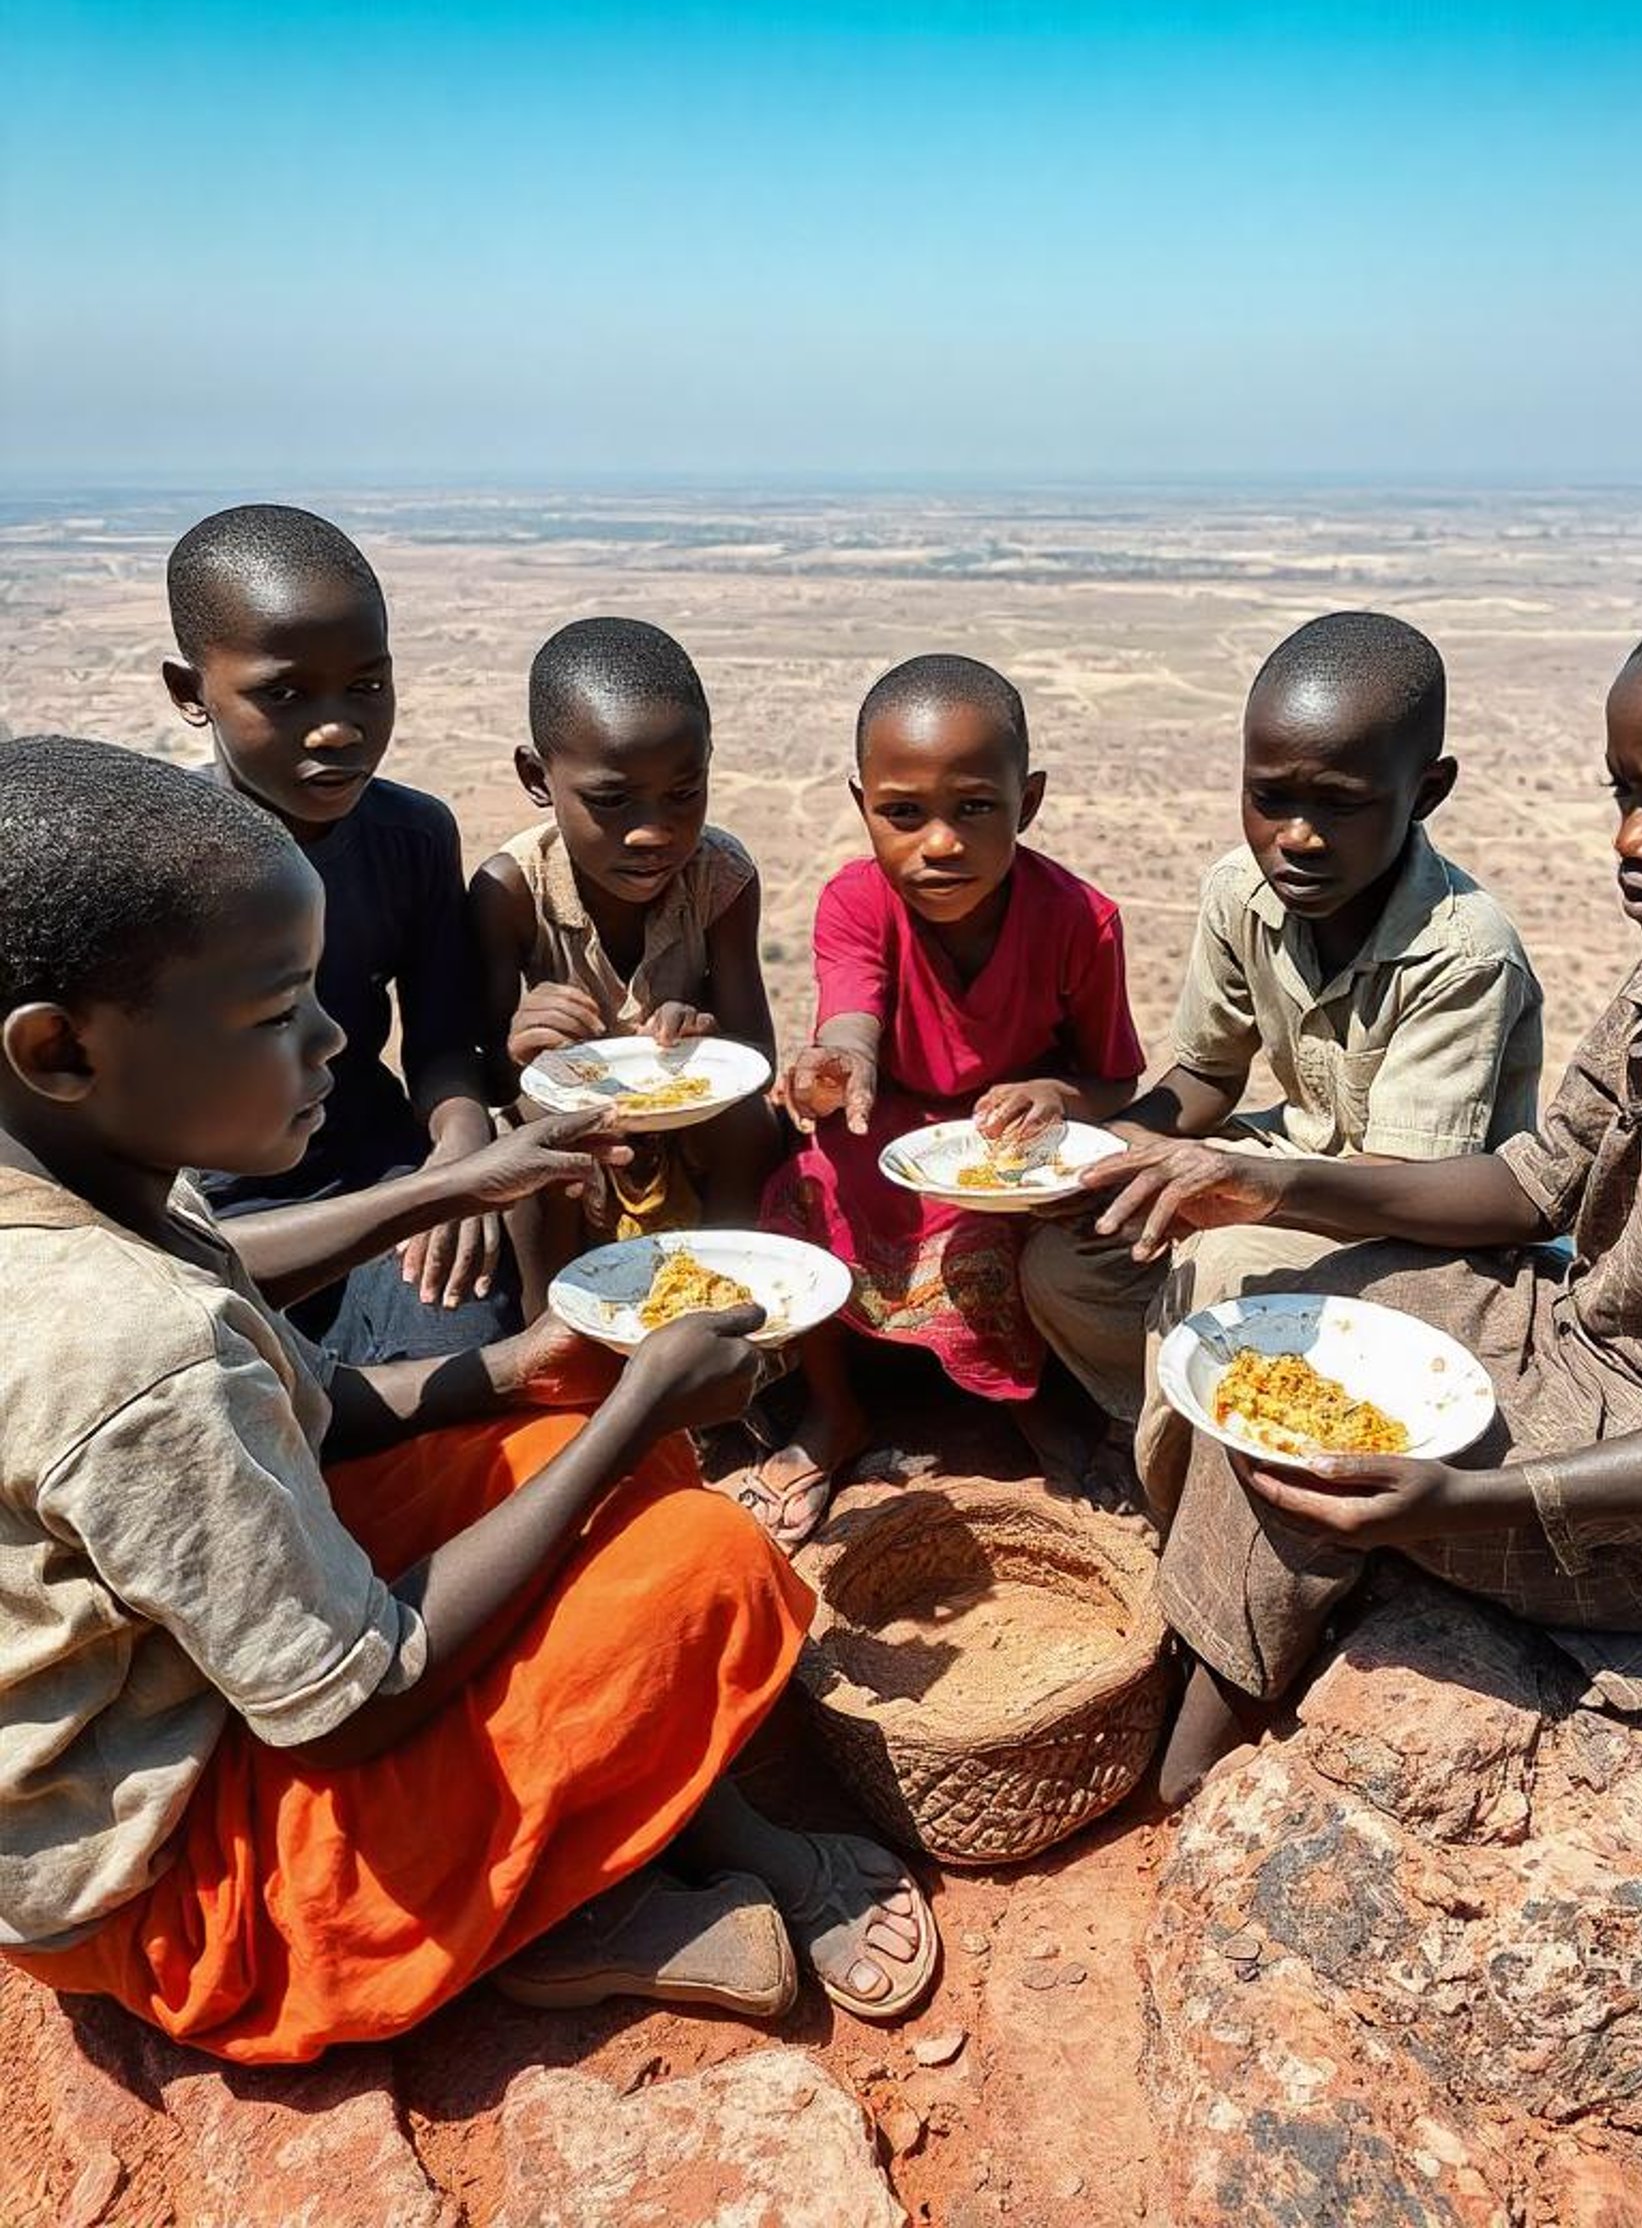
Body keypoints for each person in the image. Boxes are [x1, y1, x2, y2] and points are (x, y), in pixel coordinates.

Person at [0, 739, 939, 2062]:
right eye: (278, 1016)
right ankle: (539, 1913)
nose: (336, 1040)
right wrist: (632, 1418)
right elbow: (356, 1700)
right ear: (58, 1048)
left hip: (181, 1703)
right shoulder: (131, 1357)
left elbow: (278, 1384)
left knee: (568, 1445)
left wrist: (503, 1329)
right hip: (190, 1887)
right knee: (708, 1560)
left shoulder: (72, 1191)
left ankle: (651, 1823)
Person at [1079, 566, 1642, 1807]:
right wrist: (1264, 1184)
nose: (1632, 839)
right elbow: (1534, 1183)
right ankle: (1222, 1633)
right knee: (1277, 1329)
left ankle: (1194, 1761)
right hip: (1574, 1352)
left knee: (1308, 1459)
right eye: (1624, 795)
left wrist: (1473, 1498)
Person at [1022, 611, 1542, 1514]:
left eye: (1341, 803)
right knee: (1067, 1258)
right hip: (1302, 1173)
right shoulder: (1241, 891)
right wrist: (1107, 1151)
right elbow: (1205, 1080)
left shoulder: (1464, 953)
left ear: (1426, 791)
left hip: (1427, 1228)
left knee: (1220, 1270)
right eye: (1270, 798)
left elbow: (1409, 1181)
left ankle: (1181, 1502)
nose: (1298, 836)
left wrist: (1244, 1188)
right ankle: (1164, 1413)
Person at [739, 655, 1145, 1548]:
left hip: (1010, 1146)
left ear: (1027, 802)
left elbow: (1116, 1076)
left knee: (1027, 1219)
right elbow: (852, 1015)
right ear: (862, 807)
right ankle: (834, 1409)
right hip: (889, 1127)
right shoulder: (856, 899)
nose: (941, 843)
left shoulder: (1083, 920)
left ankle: (1031, 1404)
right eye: (903, 813)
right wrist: (836, 1069)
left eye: (975, 808)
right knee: (816, 1182)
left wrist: (1051, 1093)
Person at [162, 503, 513, 1362]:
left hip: (370, 1170)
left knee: (458, 1334)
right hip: (194, 1210)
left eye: (367, 685)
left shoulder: (413, 837)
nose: (338, 727)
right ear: (190, 693)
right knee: (229, 1382)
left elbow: (441, 1044)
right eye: (282, 693)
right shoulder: (151, 862)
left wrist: (458, 1153)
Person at [469, 618, 780, 1311]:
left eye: (684, 793)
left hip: (690, 1133)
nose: (653, 832)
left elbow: (758, 1055)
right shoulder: (512, 891)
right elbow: (486, 1073)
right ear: (537, 777)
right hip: (575, 1137)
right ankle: (550, 1338)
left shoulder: (720, 879)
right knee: (529, 1137)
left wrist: (704, 1038)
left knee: (749, 1124)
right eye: (611, 801)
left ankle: (717, 1309)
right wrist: (521, 1046)